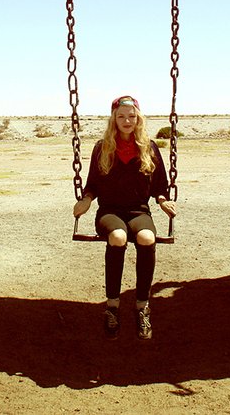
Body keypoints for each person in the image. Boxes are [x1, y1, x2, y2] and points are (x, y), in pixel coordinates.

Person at [73, 95, 177, 340]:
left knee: (146, 237)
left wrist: (163, 201)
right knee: (118, 237)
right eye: (121, 116)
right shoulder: (102, 147)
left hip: (138, 211)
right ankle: (112, 307)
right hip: (109, 212)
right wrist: (86, 201)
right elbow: (92, 185)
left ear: (138, 118)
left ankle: (142, 307)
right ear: (114, 120)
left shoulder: (148, 148)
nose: (127, 120)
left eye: (131, 116)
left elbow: (159, 186)